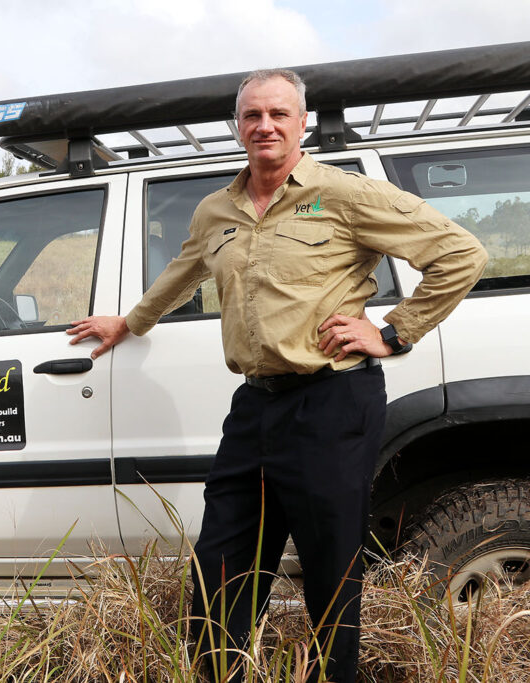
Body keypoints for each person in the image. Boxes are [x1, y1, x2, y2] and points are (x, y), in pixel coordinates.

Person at [67, 70, 487, 683]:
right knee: (221, 564)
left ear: (302, 123)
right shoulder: (218, 209)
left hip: (334, 400)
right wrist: (130, 322)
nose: (264, 125)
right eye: (252, 115)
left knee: (328, 569)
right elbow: (185, 270)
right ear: (237, 126)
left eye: (278, 114)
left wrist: (394, 332)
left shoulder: (344, 194)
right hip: (255, 405)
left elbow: (461, 254)